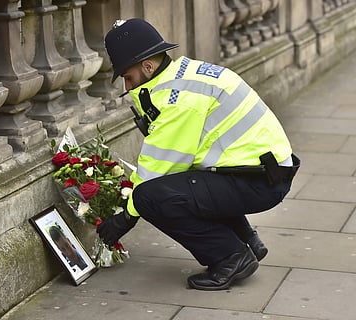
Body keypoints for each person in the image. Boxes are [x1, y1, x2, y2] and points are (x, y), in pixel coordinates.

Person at [96, 18, 300, 291]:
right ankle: (248, 240)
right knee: (191, 183)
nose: (127, 87)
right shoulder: (186, 73)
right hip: (264, 172)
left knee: (150, 198)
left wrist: (126, 217)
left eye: (128, 77)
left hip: (259, 182)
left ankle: (231, 257)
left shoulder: (178, 98)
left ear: (147, 66)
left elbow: (157, 168)